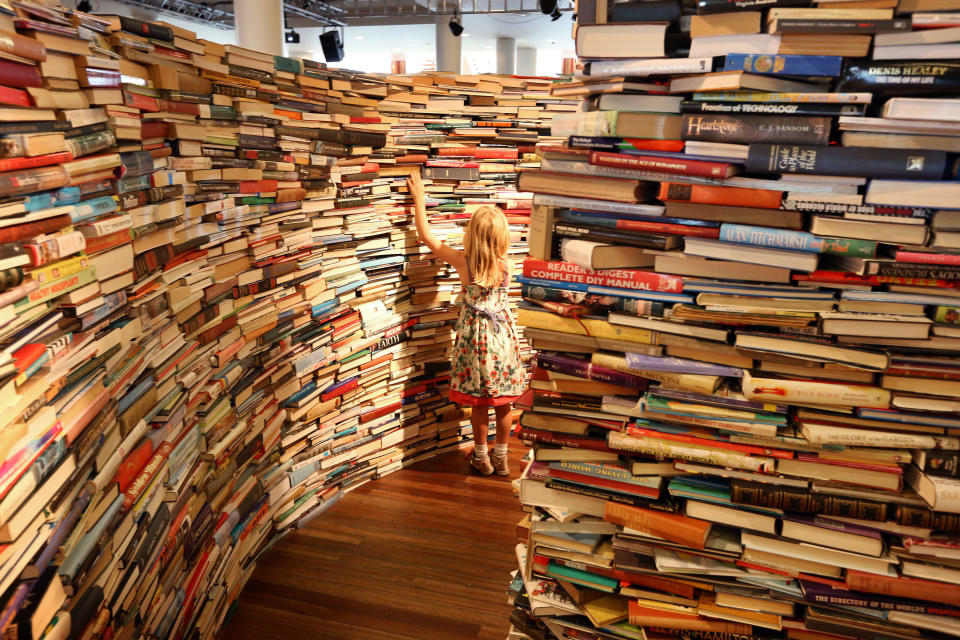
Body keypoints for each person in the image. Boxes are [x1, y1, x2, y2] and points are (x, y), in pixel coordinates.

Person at [407, 172, 526, 476]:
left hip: (475, 341)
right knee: (503, 404)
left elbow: (427, 237)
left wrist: (419, 198)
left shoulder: (464, 263)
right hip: (502, 341)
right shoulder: (508, 265)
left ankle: (481, 457)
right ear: (502, 237)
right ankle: (501, 458)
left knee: (480, 403)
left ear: (472, 234)